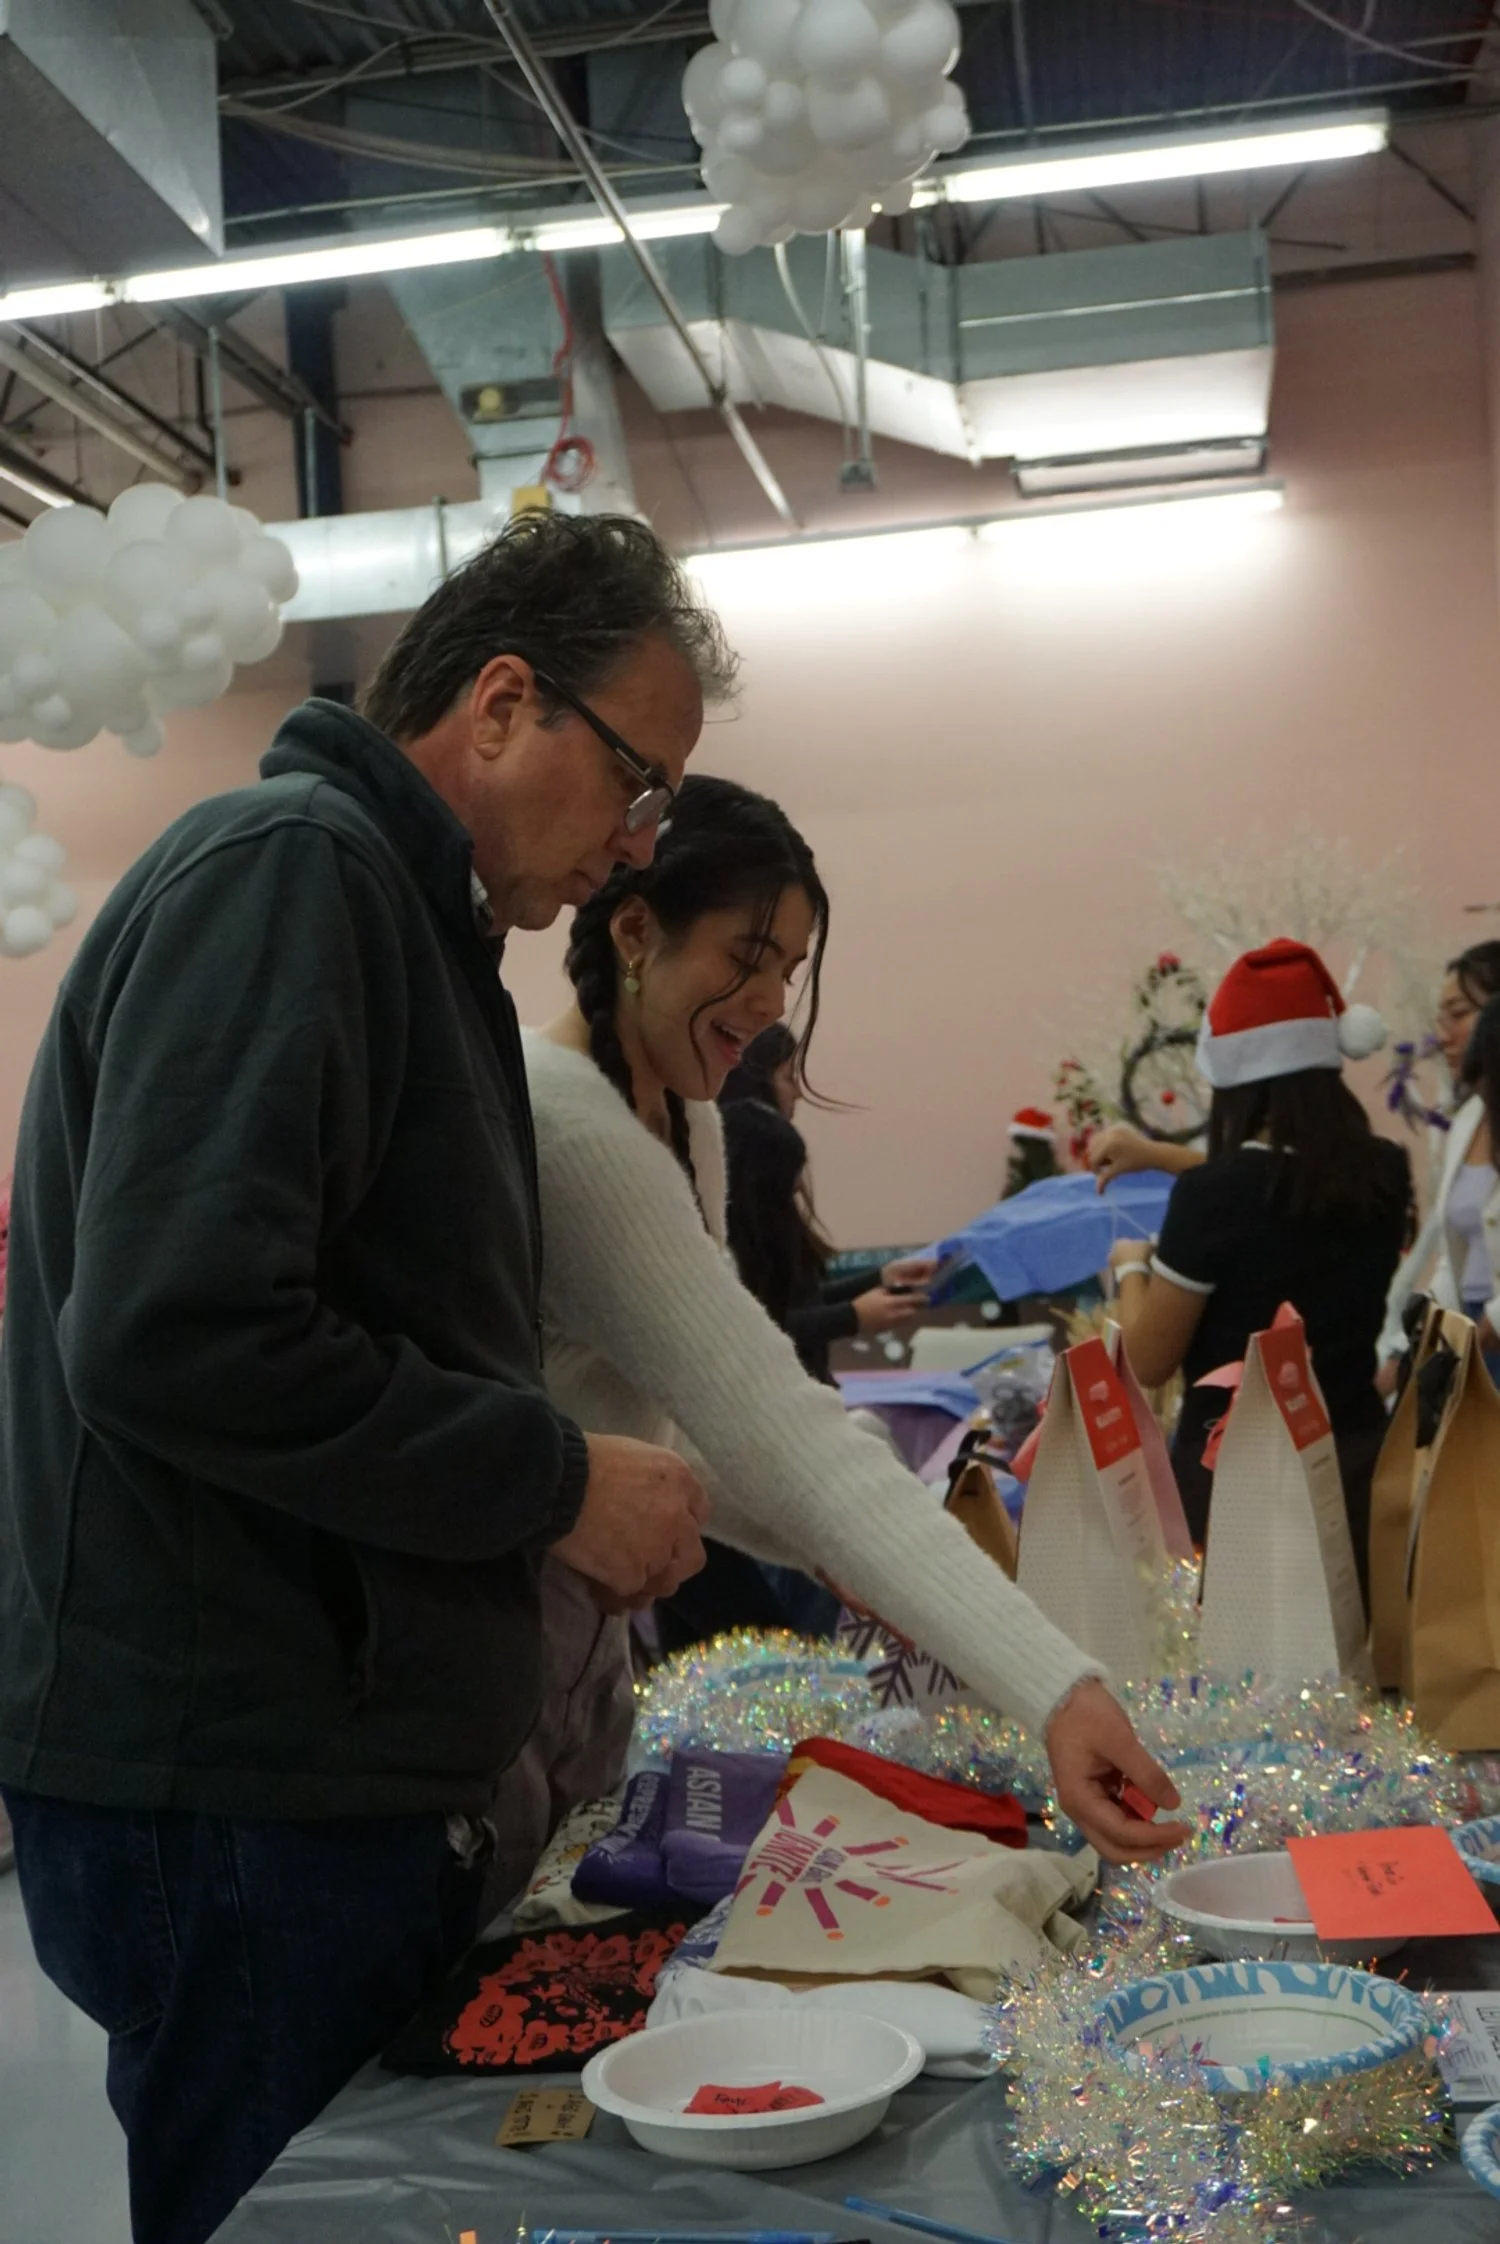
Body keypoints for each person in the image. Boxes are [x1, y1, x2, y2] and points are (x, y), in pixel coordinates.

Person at [0, 512, 729, 2244]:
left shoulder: (400, 915)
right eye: (638, 780)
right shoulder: (295, 874)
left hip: (300, 1779)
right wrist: (554, 1480)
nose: (639, 842)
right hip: (242, 1789)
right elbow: (175, 1330)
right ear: (502, 704)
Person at [511, 772, 1190, 1903]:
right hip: (511, 1655)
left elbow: (703, 1429)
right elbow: (783, 1434)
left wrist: (851, 1552)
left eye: (788, 966)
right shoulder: (576, 1130)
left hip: (583, 1659)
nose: (769, 1000)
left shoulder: (684, 1115)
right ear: (633, 930)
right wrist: (1058, 1691)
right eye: (746, 956)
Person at [1098, 939, 1410, 1579]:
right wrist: (1160, 1157)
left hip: (1236, 1483)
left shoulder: (1213, 1198)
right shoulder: (1383, 1174)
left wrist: (1131, 1268)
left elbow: (1148, 1361)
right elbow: (1279, 1184)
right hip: (1353, 1463)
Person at [719, 1021, 932, 1383]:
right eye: (789, 1078)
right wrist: (852, 1317)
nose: (798, 1095)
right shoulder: (751, 1172)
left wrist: (878, 1278)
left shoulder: (761, 1165)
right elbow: (756, 1327)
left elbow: (798, 1299)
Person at [1375, 941, 1500, 1382]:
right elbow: (1454, 1259)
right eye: (1440, 1020)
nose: (1443, 1035)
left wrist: (1489, 1326)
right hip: (1475, 1335)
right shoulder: (1467, 1121)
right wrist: (1408, 1355)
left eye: (1459, 1014)